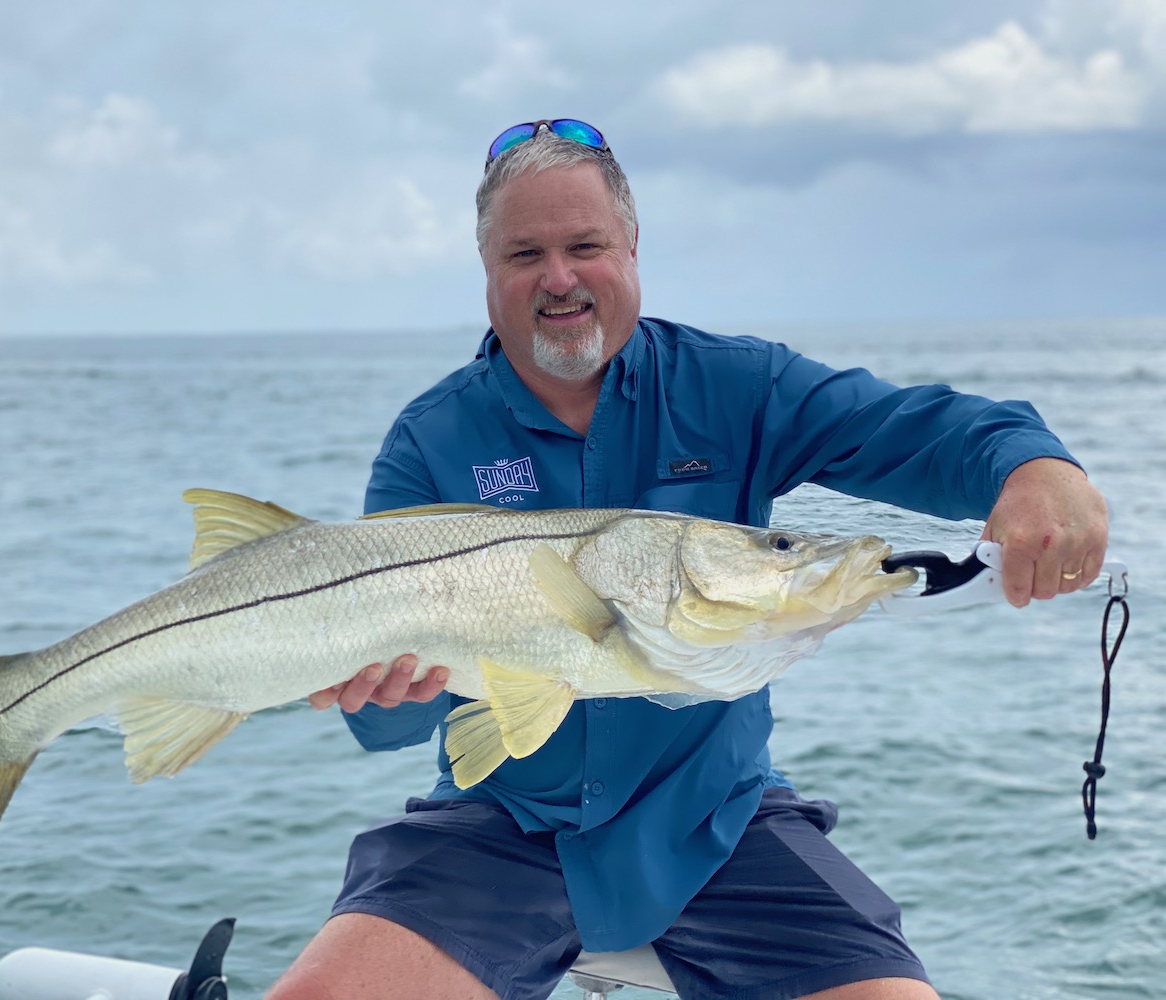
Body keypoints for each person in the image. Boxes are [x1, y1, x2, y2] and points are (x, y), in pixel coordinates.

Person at [263, 119, 1109, 1000]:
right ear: (486, 271)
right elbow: (386, 721)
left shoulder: (735, 385)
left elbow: (908, 428)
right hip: (496, 827)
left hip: (718, 821)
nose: (559, 278)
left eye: (584, 245)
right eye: (525, 254)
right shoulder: (429, 440)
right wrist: (387, 693)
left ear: (630, 247)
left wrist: (1031, 464)